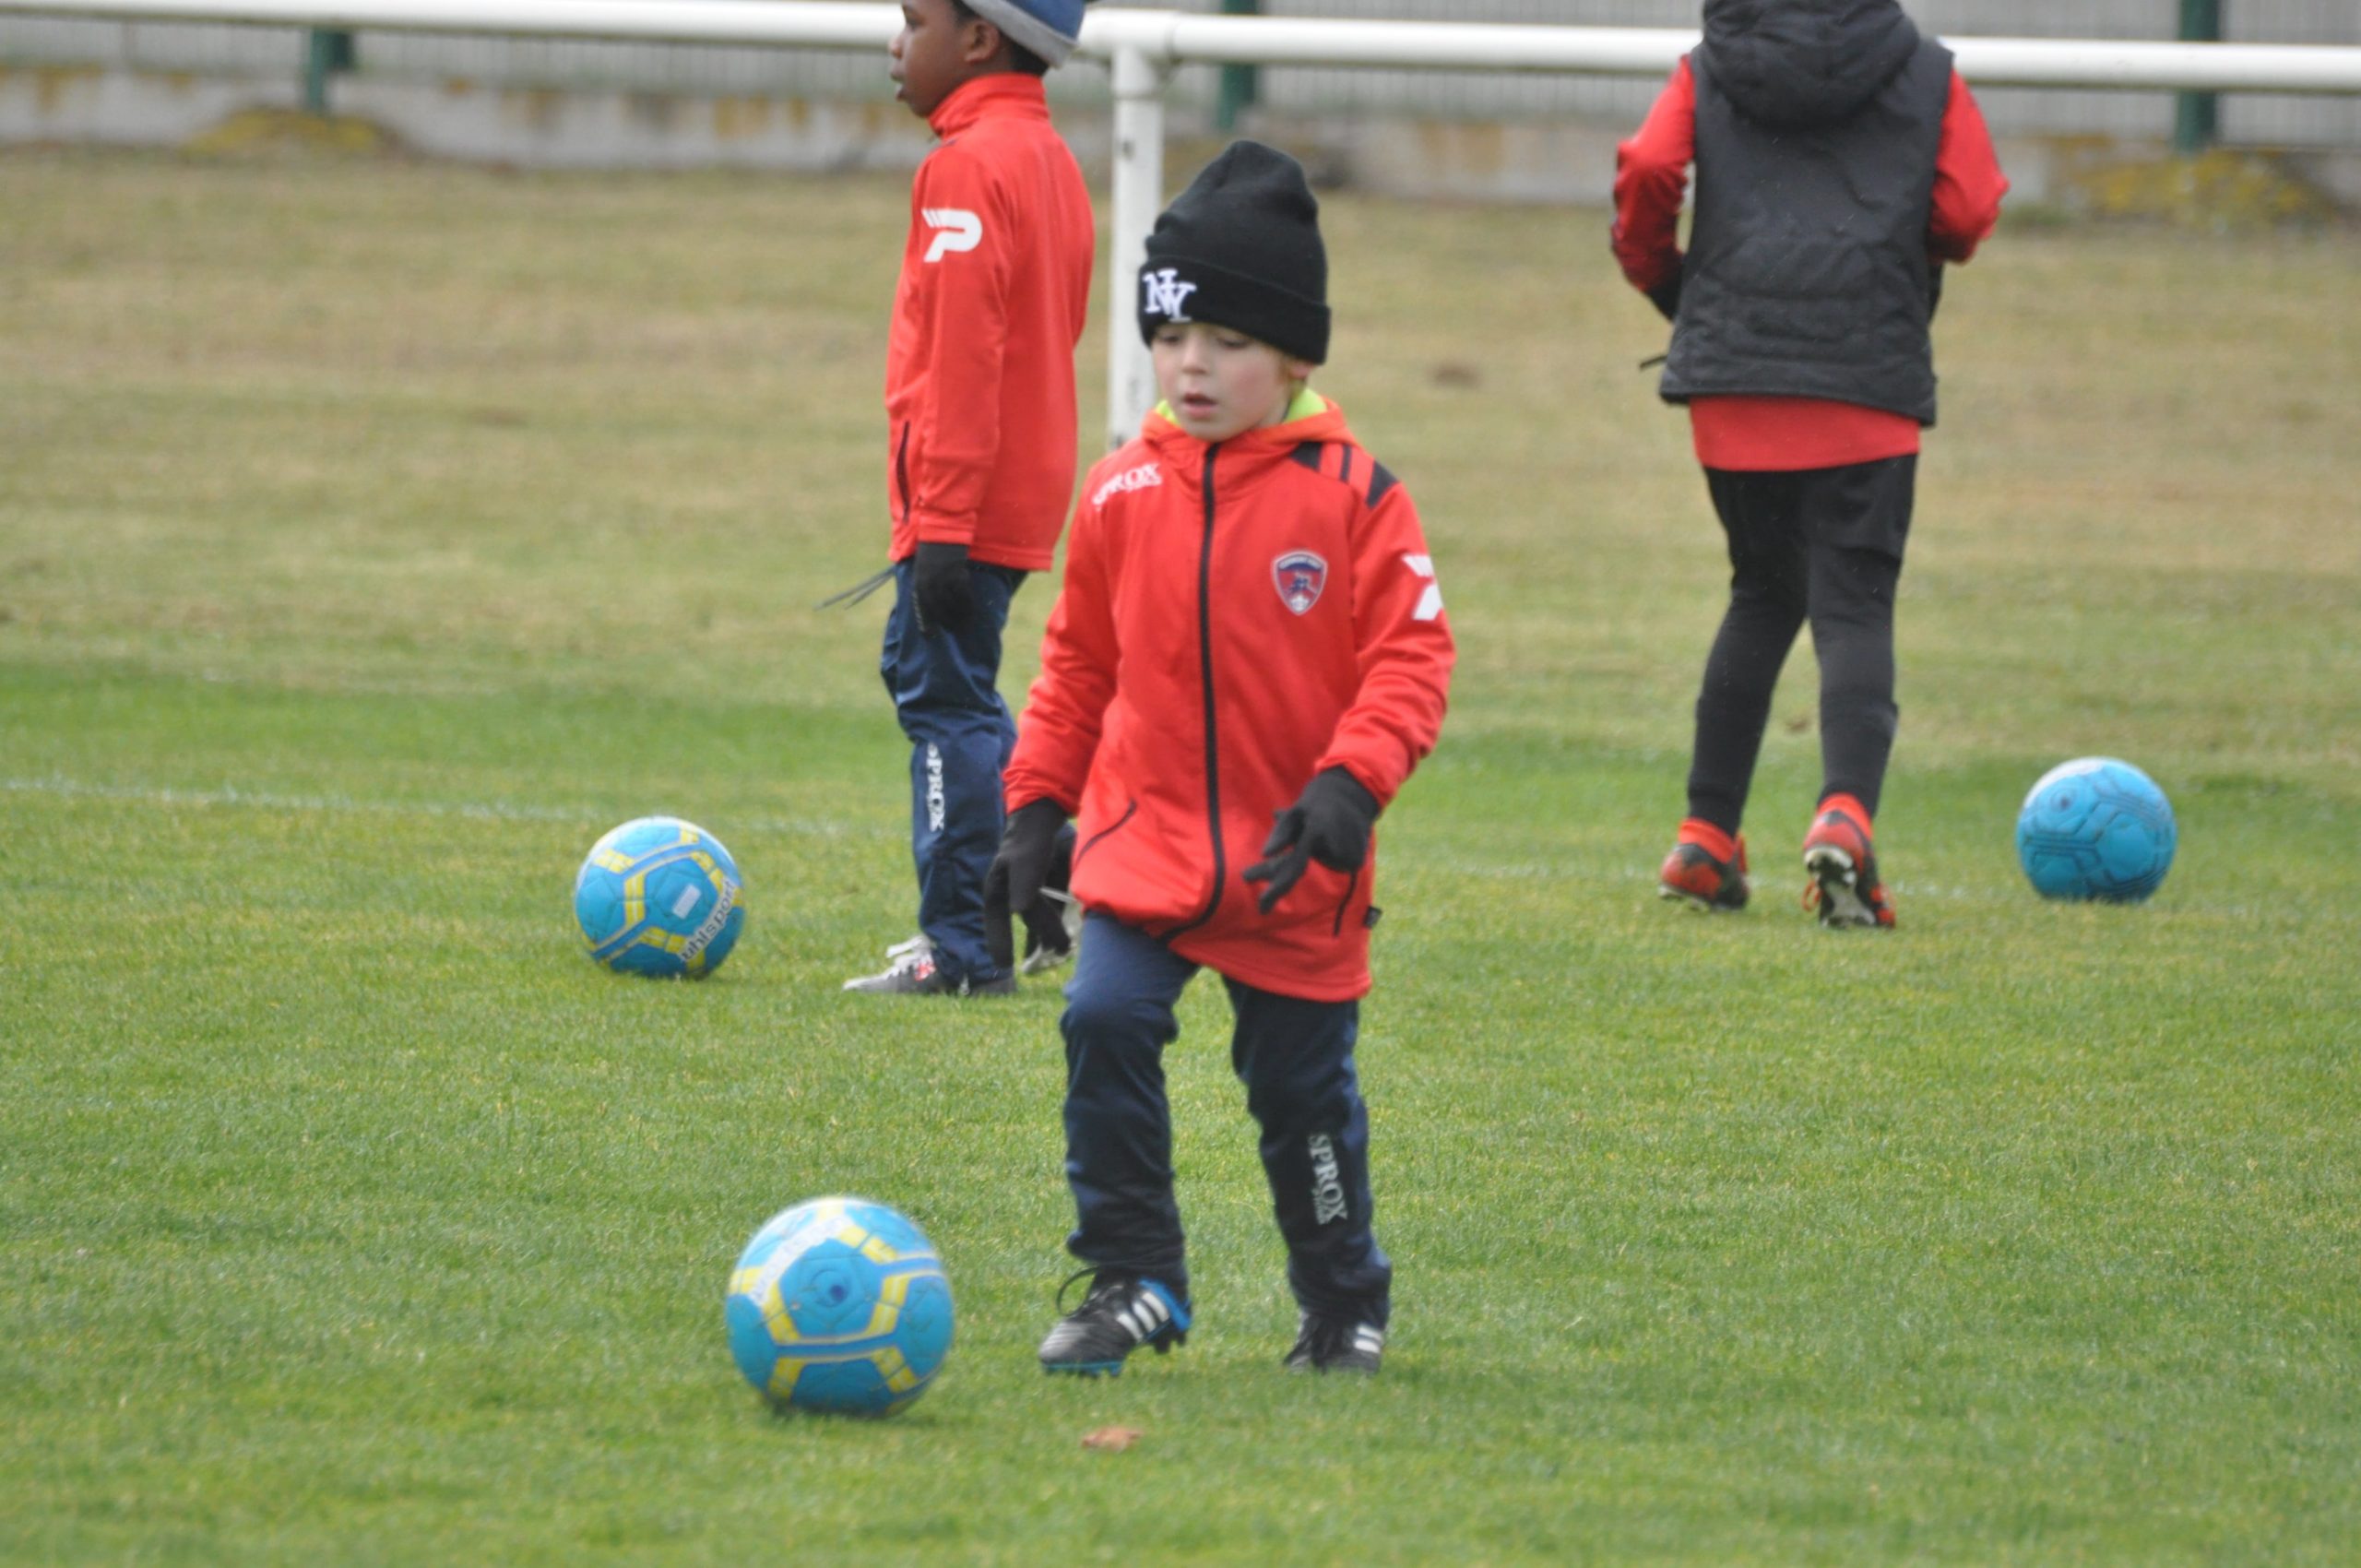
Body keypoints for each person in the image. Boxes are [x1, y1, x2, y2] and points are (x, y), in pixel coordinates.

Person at [984, 142, 1455, 1376]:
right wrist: (1036, 806)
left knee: (1302, 1104)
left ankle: (1344, 1300)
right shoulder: (1119, 492)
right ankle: (1135, 1277)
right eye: (1175, 333)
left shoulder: (1357, 499)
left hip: (1294, 867)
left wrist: (1351, 783)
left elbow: (1411, 666)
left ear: (1297, 357)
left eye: (1232, 341)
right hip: (1146, 851)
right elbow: (1078, 667)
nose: (1195, 364)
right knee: (1101, 1018)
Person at [1613, 0, 2006, 928]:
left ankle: (1706, 837)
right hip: (1865, 377)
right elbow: (1964, 210)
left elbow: (1648, 171)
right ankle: (1845, 816)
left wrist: (1669, 284)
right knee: (1854, 604)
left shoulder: (1710, 61)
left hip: (1733, 381)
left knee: (1762, 590)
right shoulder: (1923, 68)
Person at [842, 0, 1096, 995]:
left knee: (944, 702)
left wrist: (940, 522)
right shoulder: (1049, 157)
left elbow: (960, 360)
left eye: (913, 20)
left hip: (967, 502)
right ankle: (1059, 871)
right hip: (1020, 486)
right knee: (962, 693)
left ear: (980, 36)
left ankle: (961, 945)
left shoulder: (967, 166)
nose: (895, 43)